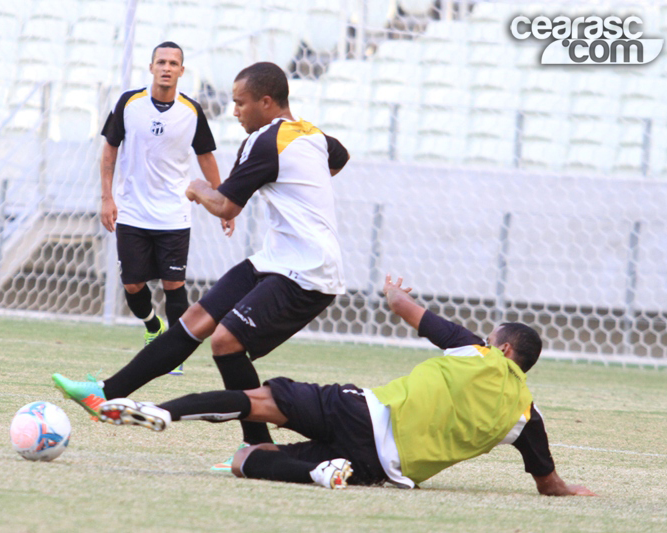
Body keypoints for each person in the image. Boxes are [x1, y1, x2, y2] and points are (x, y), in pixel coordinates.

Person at [53, 62, 351, 468]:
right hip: (278, 257)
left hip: (309, 271)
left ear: (266, 103)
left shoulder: (265, 142)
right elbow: (339, 157)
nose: (235, 112)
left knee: (226, 342)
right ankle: (105, 391)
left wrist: (196, 189)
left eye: (240, 103)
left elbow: (225, 205)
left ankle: (258, 445)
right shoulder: (311, 133)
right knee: (196, 318)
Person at [94, 274, 597, 495]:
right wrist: (571, 490)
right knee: (246, 461)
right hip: (382, 467)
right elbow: (548, 483)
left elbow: (404, 309)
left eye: (493, 338)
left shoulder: (474, 349)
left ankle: (165, 411)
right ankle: (316, 475)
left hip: (364, 412)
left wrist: (394, 291)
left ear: (504, 350)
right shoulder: (525, 417)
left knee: (260, 403)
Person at [100, 41, 233, 375]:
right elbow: (109, 151)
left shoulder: (191, 111)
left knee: (173, 285)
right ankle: (151, 325)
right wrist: (106, 197)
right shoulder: (129, 103)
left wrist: (223, 203)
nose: (167, 67)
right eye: (161, 61)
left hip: (174, 213)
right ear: (151, 67)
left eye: (173, 63)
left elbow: (205, 156)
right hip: (132, 210)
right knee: (132, 283)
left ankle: (175, 355)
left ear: (181, 71)